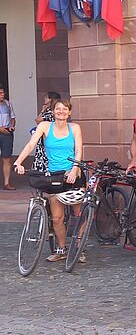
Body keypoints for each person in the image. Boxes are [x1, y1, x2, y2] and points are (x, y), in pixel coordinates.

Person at [13, 99, 83, 261]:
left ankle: (79, 245)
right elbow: (31, 144)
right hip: (54, 175)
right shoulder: (44, 126)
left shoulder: (75, 128)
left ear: (69, 112)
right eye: (58, 109)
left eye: (65, 109)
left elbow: (79, 150)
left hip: (72, 173)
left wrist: (74, 169)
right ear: (53, 111)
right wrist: (19, 161)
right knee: (57, 218)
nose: (61, 111)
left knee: (78, 213)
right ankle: (61, 248)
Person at [32, 92, 61, 173]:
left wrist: (42, 110)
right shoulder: (51, 110)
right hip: (49, 135)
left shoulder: (50, 111)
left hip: (46, 136)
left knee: (45, 155)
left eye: (46, 98)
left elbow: (37, 120)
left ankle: (44, 172)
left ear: (50, 99)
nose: (44, 99)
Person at [0, 86, 17, 190]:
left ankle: (7, 183)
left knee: (7, 158)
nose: (2, 95)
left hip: (7, 132)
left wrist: (12, 126)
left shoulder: (8, 104)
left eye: (3, 93)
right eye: (0, 93)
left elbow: (13, 117)